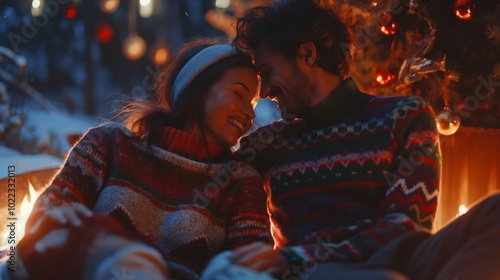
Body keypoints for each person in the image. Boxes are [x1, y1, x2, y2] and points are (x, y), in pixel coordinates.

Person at [225, 0, 500, 279]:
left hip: (395, 261)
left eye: (268, 73)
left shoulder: (403, 117)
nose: (266, 91)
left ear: (307, 53)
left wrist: (294, 257)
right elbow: (211, 183)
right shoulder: (264, 145)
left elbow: (405, 228)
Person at [2, 40, 271, 280]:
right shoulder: (109, 144)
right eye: (239, 94)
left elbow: (249, 264)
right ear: (196, 88)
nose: (249, 112)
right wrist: (111, 249)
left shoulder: (240, 182)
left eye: (254, 104)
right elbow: (47, 221)